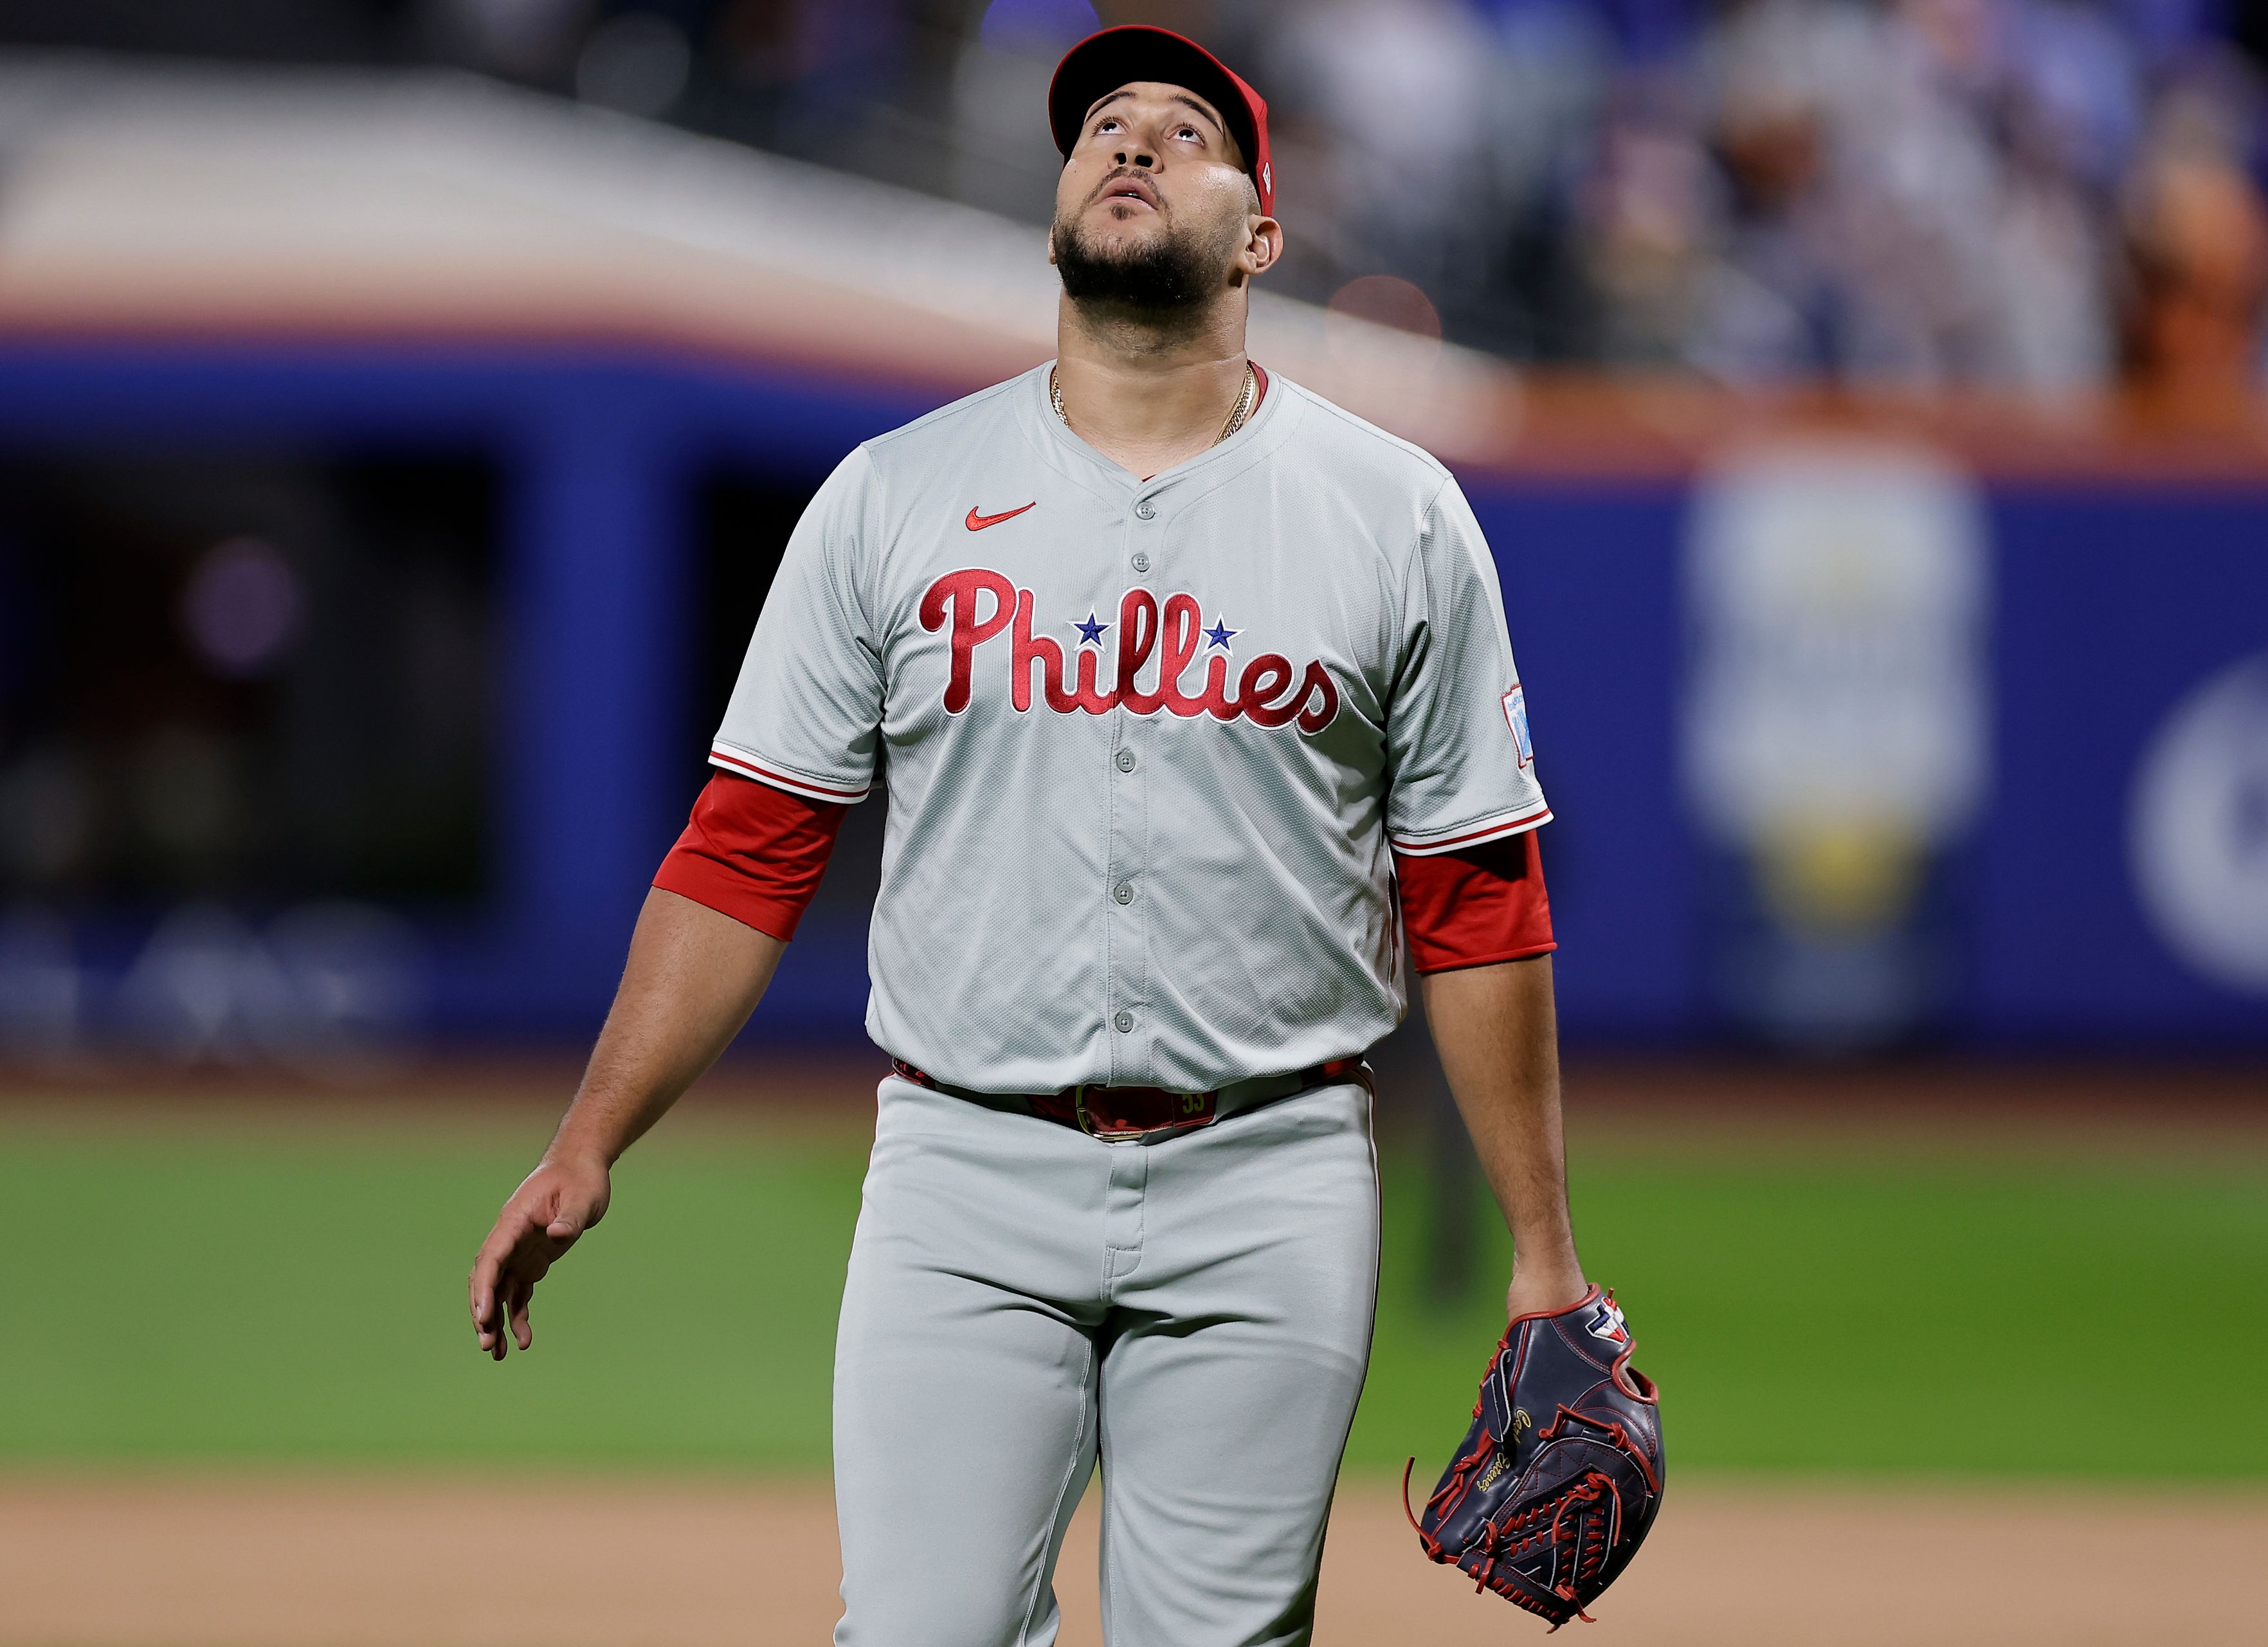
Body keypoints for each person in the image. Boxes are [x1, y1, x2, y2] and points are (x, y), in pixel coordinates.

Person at [467, 25, 1591, 1645]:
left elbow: (1479, 898)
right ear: (1058, 198)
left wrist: (1546, 1254)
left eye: (1183, 132)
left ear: (1262, 231)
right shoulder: (891, 495)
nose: (1130, 145)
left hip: (1269, 1170)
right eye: (1102, 129)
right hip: (962, 1167)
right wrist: (589, 1137)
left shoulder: (1394, 510)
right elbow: (744, 849)